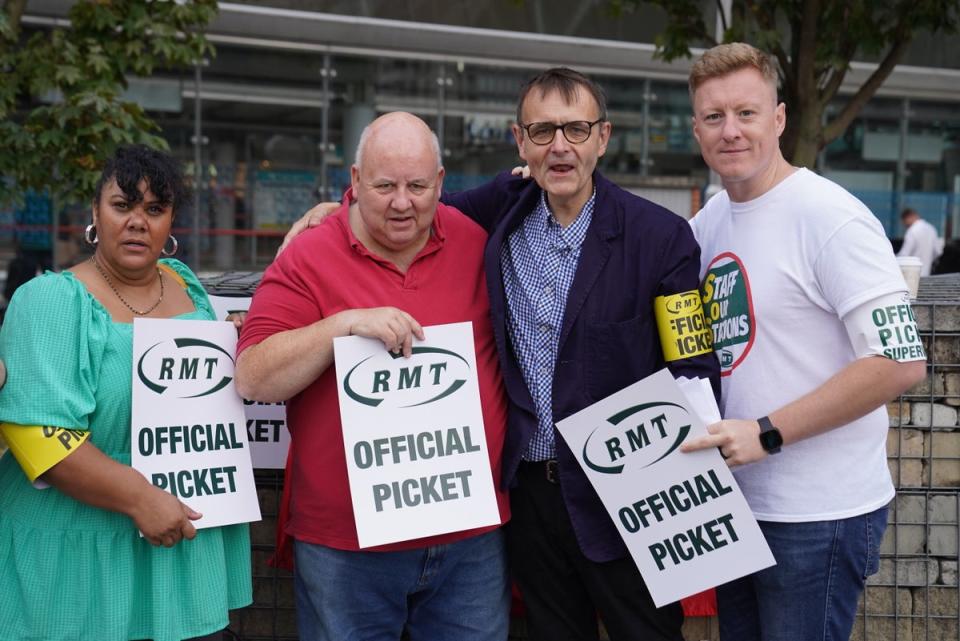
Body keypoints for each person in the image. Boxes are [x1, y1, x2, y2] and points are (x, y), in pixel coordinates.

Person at [287, 68, 720, 641]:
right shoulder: (503, 207)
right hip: (531, 496)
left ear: (603, 137)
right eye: (542, 131)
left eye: (575, 129)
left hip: (630, 490)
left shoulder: (660, 236)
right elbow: (407, 200)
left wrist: (703, 475)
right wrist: (335, 209)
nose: (559, 146)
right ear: (521, 142)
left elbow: (692, 364)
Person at [681, 43, 927, 641]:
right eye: (714, 117)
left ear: (780, 118)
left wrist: (768, 431)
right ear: (695, 129)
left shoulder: (831, 217)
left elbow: (901, 363)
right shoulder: (709, 221)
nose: (730, 131)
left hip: (819, 516)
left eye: (747, 113)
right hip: (736, 506)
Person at [234, 112, 510, 641]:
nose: (402, 202)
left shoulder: (479, 243)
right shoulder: (309, 256)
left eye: (417, 186)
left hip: (469, 541)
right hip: (347, 548)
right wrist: (341, 326)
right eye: (384, 186)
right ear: (355, 182)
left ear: (442, 183)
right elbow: (252, 377)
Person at [0, 145, 252, 641]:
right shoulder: (48, 301)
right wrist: (140, 497)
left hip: (176, 547)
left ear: (171, 220)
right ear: (95, 213)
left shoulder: (187, 290)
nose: (138, 221)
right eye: (123, 206)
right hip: (77, 556)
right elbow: (39, 440)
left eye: (154, 209)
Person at [898, 207, 943, 276]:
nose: (904, 224)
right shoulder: (931, 228)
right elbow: (938, 251)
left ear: (908, 217)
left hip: (911, 275)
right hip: (927, 273)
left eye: (904, 221)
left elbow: (904, 255)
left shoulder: (912, 231)